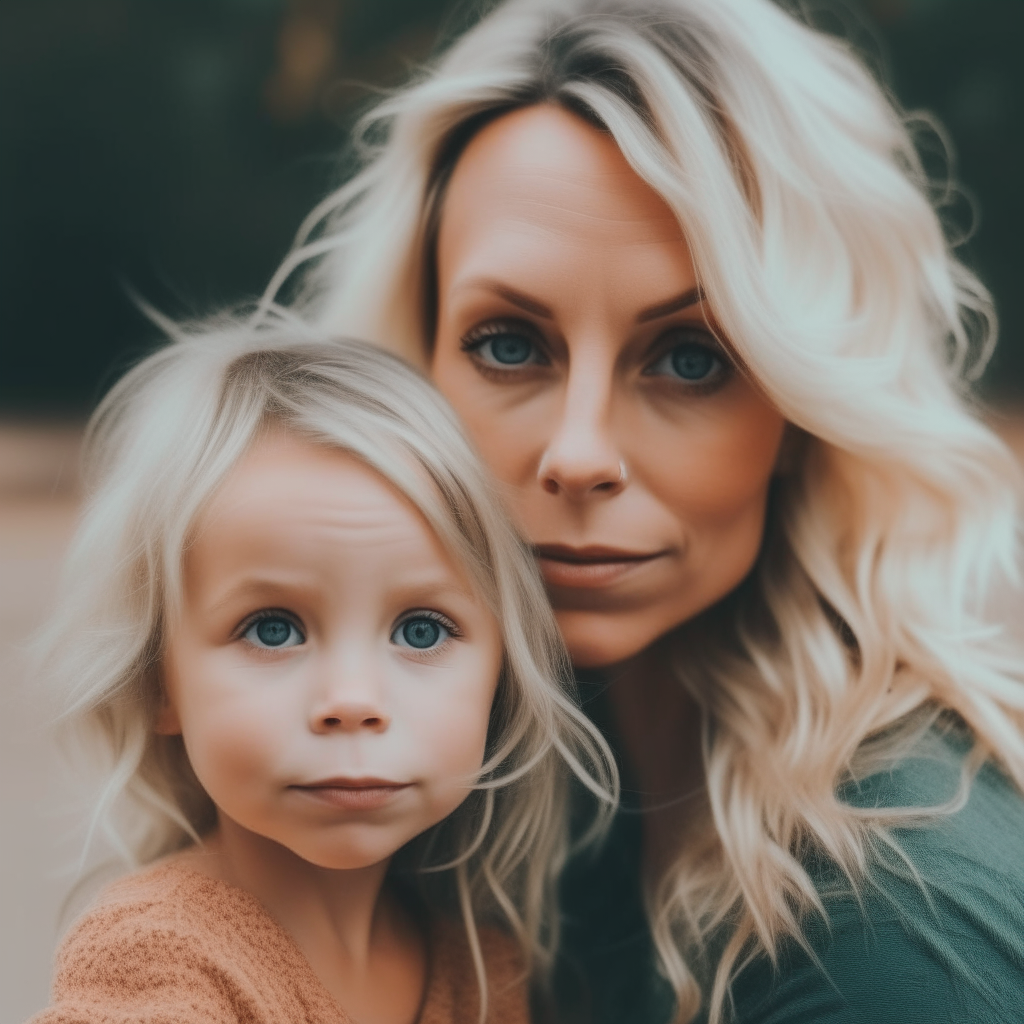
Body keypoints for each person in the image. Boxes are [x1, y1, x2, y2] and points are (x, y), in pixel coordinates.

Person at [264, 0, 1024, 1021]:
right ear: (417, 366)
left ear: (803, 411)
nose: (580, 454)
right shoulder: (499, 785)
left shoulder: (893, 945)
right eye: (507, 344)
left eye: (689, 358)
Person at [29, 327, 616, 1024]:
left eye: (420, 631)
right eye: (272, 629)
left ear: (501, 673)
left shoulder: (484, 970)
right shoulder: (155, 961)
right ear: (160, 681)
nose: (353, 701)